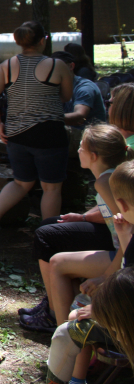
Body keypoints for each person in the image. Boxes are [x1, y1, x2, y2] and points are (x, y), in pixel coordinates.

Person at [19, 125, 129, 333]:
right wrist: (83, 217)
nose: (78, 150)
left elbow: (128, 232)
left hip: (122, 254)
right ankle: (63, 320)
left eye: (81, 147)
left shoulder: (105, 182)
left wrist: (107, 275)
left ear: (94, 156)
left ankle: (64, 334)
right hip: (117, 245)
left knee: (58, 262)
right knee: (50, 229)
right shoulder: (108, 177)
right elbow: (109, 211)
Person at [0, 21, 75, 243]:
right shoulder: (56, 65)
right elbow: (67, 95)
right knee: (51, 188)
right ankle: (49, 237)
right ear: (42, 41)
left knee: (21, 182)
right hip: (48, 133)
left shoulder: (6, 66)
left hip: (16, 133)